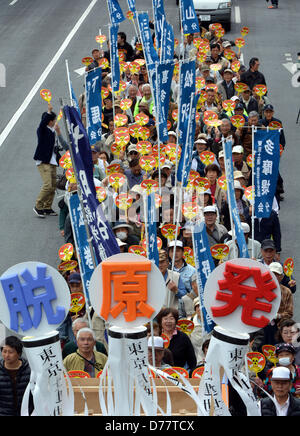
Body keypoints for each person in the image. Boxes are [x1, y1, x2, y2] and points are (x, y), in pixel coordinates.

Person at [33, 103, 62, 218]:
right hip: (43, 162)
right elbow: (43, 123)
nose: (55, 121)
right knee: (47, 185)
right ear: (49, 121)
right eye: (53, 120)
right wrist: (49, 112)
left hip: (52, 161)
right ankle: (38, 206)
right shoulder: (42, 130)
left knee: (53, 186)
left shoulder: (51, 131)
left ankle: (47, 207)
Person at [0, 336, 32, 416]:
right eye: (4, 351)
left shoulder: (29, 370)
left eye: (10, 352)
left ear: (19, 354)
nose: (6, 355)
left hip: (26, 413)